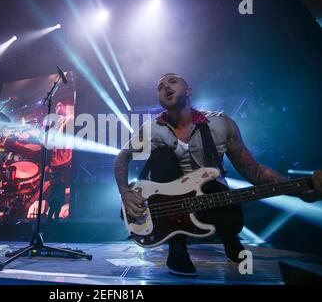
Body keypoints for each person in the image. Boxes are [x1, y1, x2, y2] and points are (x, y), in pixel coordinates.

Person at [114, 73, 322, 277]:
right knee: (161, 156)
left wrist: (299, 189)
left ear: (189, 90)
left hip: (214, 200)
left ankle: (229, 237)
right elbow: (122, 158)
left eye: (173, 82)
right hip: (172, 209)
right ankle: (177, 248)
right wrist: (125, 192)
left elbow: (254, 171)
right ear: (159, 99)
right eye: (160, 87)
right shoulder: (152, 129)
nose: (166, 87)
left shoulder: (220, 123)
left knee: (213, 185)